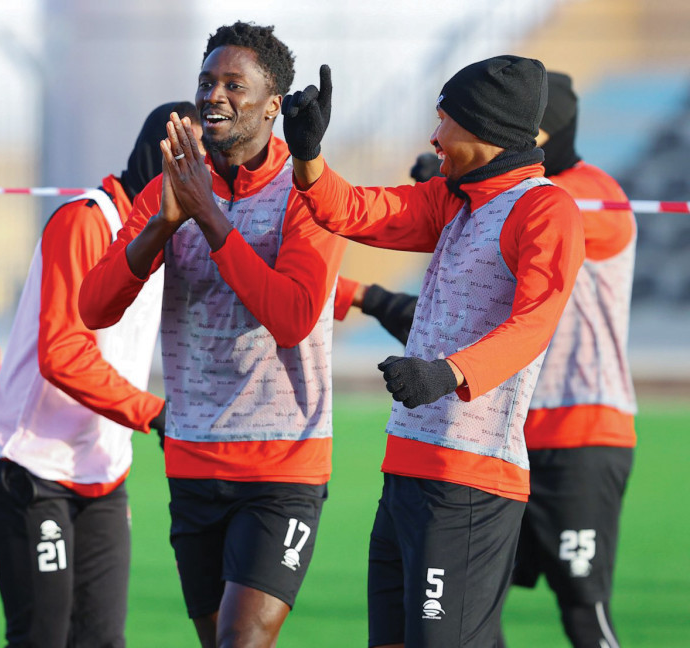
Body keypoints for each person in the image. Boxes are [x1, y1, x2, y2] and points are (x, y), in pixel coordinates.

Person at [286, 56, 586, 647]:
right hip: (405, 470)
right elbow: (356, 211)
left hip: (470, 482)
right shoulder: (453, 200)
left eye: (443, 120)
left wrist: (448, 374)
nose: (432, 136)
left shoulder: (545, 208)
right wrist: (308, 155)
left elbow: (533, 325)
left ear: (485, 128)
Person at [342, 72, 637, 648]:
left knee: (584, 610)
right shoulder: (491, 200)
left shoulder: (586, 196)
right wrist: (455, 186)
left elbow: (529, 206)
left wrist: (462, 182)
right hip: (503, 426)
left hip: (581, 430)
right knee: (473, 621)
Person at [79, 22, 347, 648]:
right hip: (193, 458)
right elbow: (93, 307)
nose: (214, 96)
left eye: (233, 84)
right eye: (206, 82)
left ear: (273, 105)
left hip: (283, 465)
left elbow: (293, 317)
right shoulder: (169, 186)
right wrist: (162, 225)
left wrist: (208, 216)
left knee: (240, 642)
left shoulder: (310, 194)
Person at [0, 101, 197, 647]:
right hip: (30, 463)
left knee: (102, 640)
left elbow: (254, 274)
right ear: (159, 155)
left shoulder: (177, 234)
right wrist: (155, 413)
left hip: (102, 470)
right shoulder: (87, 220)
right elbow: (63, 352)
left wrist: (367, 299)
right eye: (189, 158)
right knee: (42, 638)